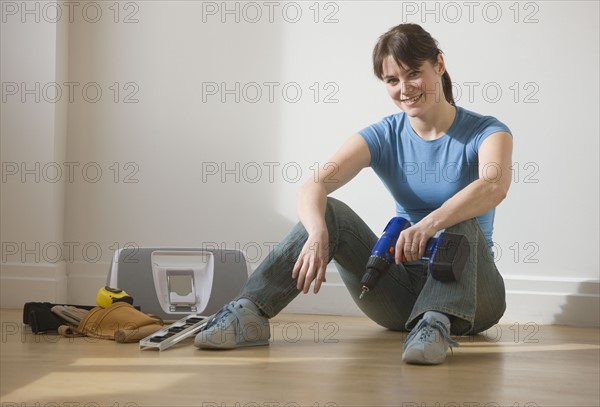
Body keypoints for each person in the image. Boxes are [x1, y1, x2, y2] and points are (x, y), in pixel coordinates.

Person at [194, 23, 513, 365]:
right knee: (329, 213)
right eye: (392, 81)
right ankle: (249, 312)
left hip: (473, 295)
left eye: (413, 74)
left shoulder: (488, 131)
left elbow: (493, 186)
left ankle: (436, 323)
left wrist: (428, 225)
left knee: (460, 223)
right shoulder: (385, 135)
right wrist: (318, 234)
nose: (404, 89)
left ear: (439, 64)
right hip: (401, 296)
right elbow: (313, 185)